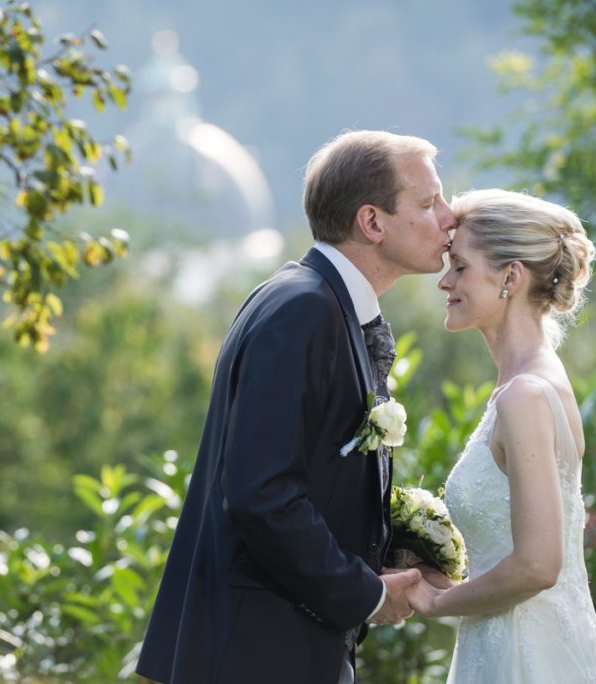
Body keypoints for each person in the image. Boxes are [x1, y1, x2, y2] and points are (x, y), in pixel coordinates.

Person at [135, 130, 455, 684]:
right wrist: (367, 594)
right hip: (256, 653)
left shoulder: (314, 301)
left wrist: (393, 543)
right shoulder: (303, 310)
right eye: (429, 203)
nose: (449, 219)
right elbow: (262, 494)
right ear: (372, 222)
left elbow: (311, 477)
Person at [411, 189, 596, 682]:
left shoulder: (524, 395)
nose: (444, 281)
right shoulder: (525, 385)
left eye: (460, 266)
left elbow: (537, 565)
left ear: (511, 276)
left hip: (530, 659)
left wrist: (436, 601)